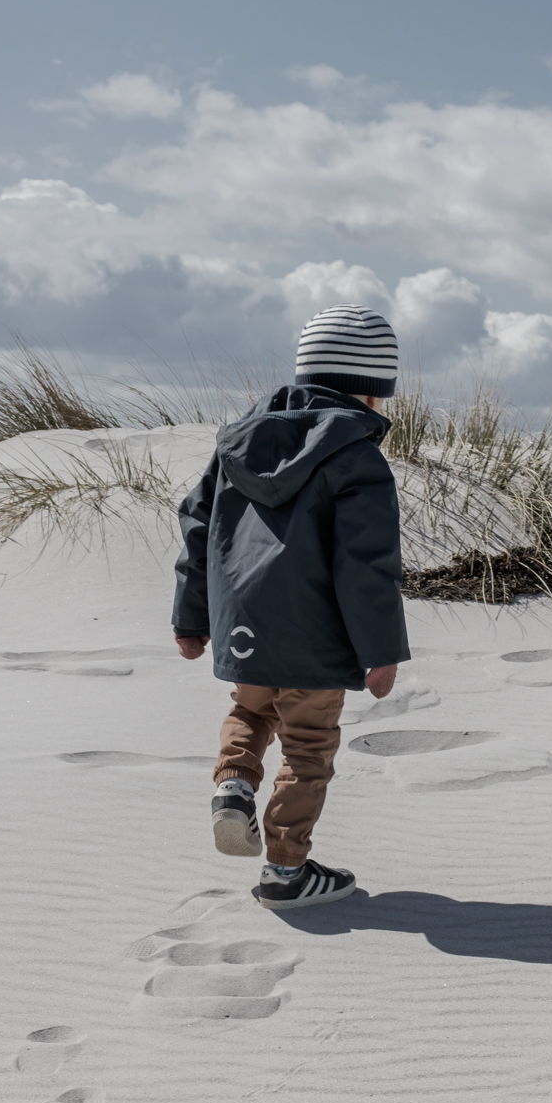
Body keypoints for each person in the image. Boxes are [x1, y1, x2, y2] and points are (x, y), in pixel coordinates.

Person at [171, 305, 410, 907]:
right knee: (308, 748)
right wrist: (380, 654)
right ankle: (285, 870)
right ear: (371, 391)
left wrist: (190, 617)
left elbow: (199, 527)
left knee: (250, 714)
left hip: (243, 628)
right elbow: (366, 568)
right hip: (314, 637)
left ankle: (232, 786)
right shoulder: (357, 457)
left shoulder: (236, 443)